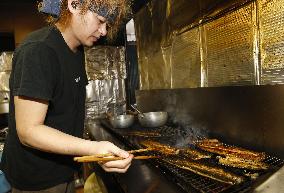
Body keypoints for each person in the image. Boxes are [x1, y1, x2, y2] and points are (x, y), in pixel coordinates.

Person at [0, 0, 133, 192]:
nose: (104, 31)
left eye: (107, 25)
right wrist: (93, 148)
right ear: (75, 5)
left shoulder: (76, 50)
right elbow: (29, 131)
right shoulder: (39, 50)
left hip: (65, 171)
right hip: (37, 180)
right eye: (100, 20)